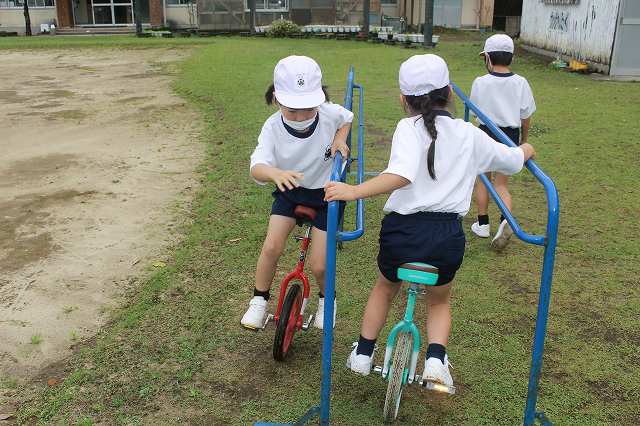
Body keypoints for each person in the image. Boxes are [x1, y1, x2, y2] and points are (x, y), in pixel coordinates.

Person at [324, 54, 536, 387]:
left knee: (385, 287)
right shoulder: (470, 133)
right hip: (446, 236)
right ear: (449, 92)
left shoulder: (407, 128)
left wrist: (354, 191)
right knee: (439, 300)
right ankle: (435, 361)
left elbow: (401, 173)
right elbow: (510, 161)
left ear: (403, 100)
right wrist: (526, 149)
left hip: (402, 232)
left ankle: (363, 353)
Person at [241, 55, 353, 331]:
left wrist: (339, 138)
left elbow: (347, 118)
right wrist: (274, 174)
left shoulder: (328, 113)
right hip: (289, 191)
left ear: (320, 99)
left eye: (308, 109)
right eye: (293, 110)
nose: (301, 117)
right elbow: (256, 166)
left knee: (319, 264)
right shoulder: (272, 127)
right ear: (277, 99)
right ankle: (259, 300)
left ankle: (327, 300)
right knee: (271, 247)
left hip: (326, 195)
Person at [469, 34, 537, 250]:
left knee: (483, 180)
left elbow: (474, 112)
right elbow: (526, 115)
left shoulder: (480, 82)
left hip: (485, 134)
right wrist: (523, 140)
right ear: (511, 58)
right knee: (501, 184)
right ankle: (505, 220)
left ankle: (482, 224)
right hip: (510, 136)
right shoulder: (521, 82)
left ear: (488, 58)